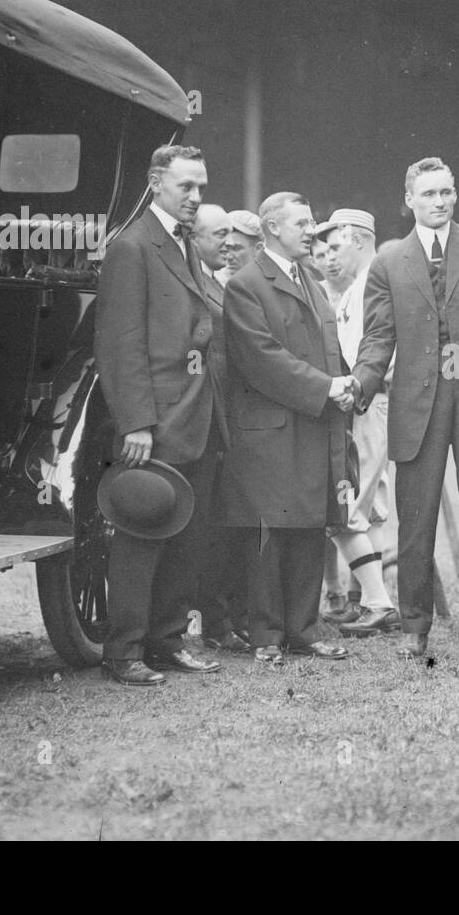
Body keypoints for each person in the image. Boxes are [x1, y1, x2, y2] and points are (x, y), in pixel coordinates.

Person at [352, 157, 459, 660]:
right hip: (417, 405)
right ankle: (414, 629)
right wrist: (359, 385)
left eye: (446, 192)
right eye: (428, 194)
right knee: (416, 521)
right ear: (409, 199)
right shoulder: (387, 261)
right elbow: (379, 337)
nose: (439, 202)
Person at [93, 145, 223, 686]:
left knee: (185, 535)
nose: (196, 198)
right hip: (158, 421)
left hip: (197, 418)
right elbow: (119, 344)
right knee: (143, 531)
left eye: (201, 188)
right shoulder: (132, 246)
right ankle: (122, 652)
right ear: (155, 183)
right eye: (185, 187)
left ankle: (166, 641)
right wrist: (136, 422)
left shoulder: (182, 243)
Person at [215, 192, 353, 664]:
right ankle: (267, 636)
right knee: (270, 535)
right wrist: (327, 388)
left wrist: (345, 383)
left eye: (312, 221)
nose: (311, 230)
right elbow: (261, 360)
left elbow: (325, 348)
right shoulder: (247, 284)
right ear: (272, 228)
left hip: (310, 422)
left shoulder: (309, 278)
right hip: (270, 431)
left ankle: (305, 631)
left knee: (309, 528)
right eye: (301, 222)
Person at [322, 208, 401, 637]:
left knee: (345, 508)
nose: (330, 255)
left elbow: (370, 354)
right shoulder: (358, 284)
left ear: (356, 237)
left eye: (335, 245)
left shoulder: (373, 277)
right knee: (369, 509)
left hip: (367, 401)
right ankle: (365, 600)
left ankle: (377, 602)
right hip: (372, 402)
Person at [188, 204, 250, 652]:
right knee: (208, 528)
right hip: (207, 419)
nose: (228, 243)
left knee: (223, 527)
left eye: (233, 234)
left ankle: (224, 617)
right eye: (219, 234)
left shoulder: (214, 282)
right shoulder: (195, 282)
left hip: (229, 418)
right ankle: (214, 621)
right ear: (194, 237)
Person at [218, 209, 261, 285]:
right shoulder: (214, 283)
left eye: (236, 249)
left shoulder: (270, 286)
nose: (228, 257)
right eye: (226, 248)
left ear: (258, 249)